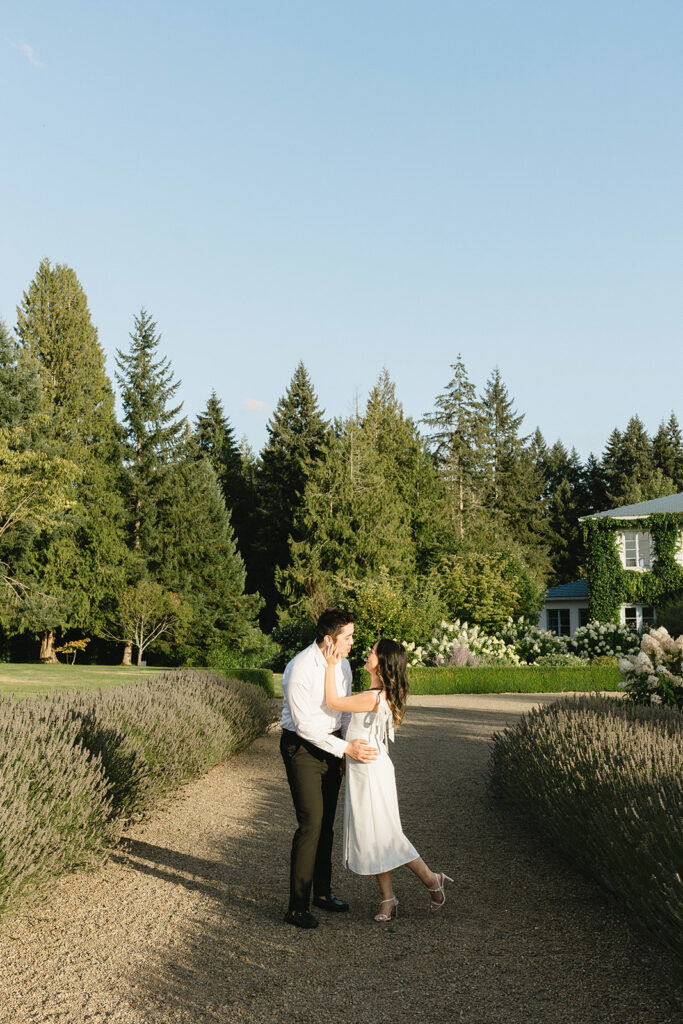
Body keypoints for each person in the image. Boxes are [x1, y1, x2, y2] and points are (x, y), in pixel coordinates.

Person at [323, 636, 452, 922]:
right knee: (373, 835)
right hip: (363, 768)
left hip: (371, 772)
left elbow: (332, 701)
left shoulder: (372, 697)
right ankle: (388, 898)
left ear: (381, 664)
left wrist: (331, 665)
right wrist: (345, 757)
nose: (367, 655)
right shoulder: (375, 693)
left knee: (385, 834)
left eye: (372, 653)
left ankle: (432, 880)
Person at [280, 608, 379, 929]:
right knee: (310, 824)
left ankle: (322, 893)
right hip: (302, 748)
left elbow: (345, 709)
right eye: (348, 637)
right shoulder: (299, 668)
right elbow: (305, 726)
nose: (352, 643)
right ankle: (296, 907)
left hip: (334, 746)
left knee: (327, 827)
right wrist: (345, 748)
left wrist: (345, 751)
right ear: (328, 640)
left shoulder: (344, 664)